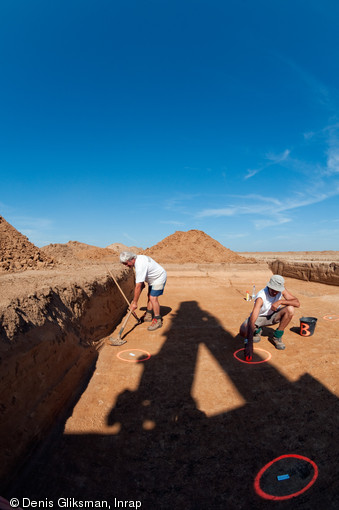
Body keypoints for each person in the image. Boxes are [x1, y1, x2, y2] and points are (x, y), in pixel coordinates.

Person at [239, 274, 300, 361]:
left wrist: (281, 301)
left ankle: (277, 336)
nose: (275, 292)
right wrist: (249, 342)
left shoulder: (281, 290)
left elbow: (297, 303)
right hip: (259, 318)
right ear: (269, 286)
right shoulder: (261, 296)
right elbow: (254, 317)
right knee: (243, 330)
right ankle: (257, 330)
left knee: (290, 309)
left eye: (277, 290)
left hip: (273, 316)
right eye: (273, 289)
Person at [120, 251, 167, 331]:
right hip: (152, 279)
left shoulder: (140, 265)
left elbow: (138, 286)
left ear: (131, 259)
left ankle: (157, 320)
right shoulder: (138, 259)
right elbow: (141, 285)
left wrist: (134, 303)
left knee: (153, 298)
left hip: (159, 278)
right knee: (149, 295)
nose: (126, 266)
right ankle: (148, 316)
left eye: (126, 263)